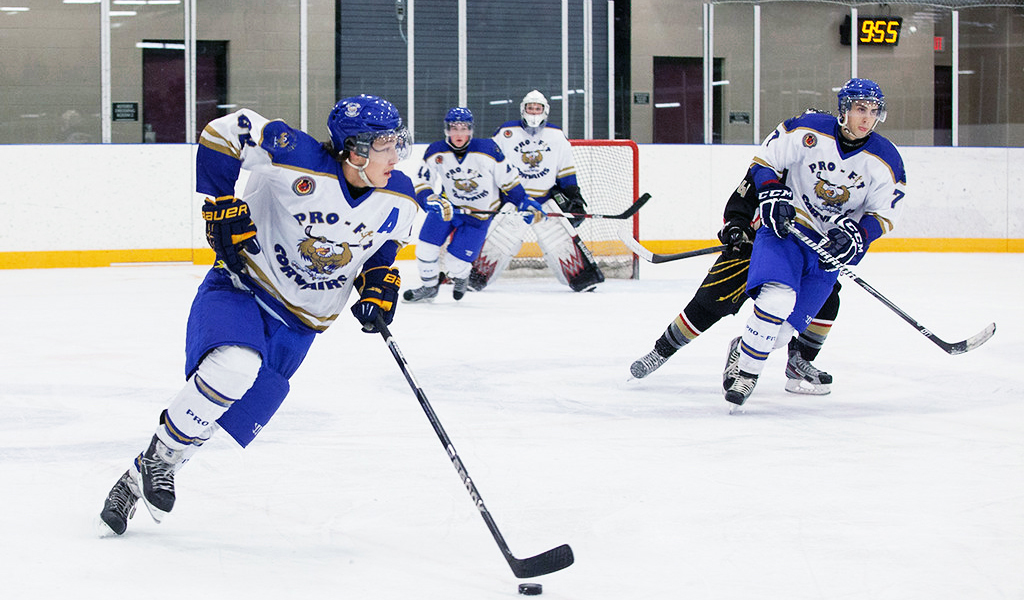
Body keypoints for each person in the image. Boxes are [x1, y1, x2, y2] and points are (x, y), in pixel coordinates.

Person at [99, 94, 419, 535]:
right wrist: (219, 203)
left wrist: (380, 279)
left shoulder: (400, 195)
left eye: (396, 142)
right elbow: (224, 131)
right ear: (355, 150)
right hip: (243, 289)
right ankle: (156, 463)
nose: (396, 154)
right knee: (233, 368)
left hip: (302, 326)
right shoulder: (296, 156)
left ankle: (139, 475)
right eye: (385, 145)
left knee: (220, 403)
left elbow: (383, 242)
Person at [722, 78, 906, 406]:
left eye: (873, 111)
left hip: (828, 251)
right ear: (843, 110)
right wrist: (770, 192)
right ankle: (746, 375)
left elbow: (884, 215)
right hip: (788, 230)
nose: (866, 118)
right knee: (775, 301)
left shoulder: (886, 159)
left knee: (779, 335)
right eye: (860, 109)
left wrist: (858, 235)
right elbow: (765, 162)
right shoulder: (807, 130)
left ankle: (742, 348)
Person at [629, 163, 841, 395]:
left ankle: (799, 359)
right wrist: (736, 226)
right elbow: (742, 200)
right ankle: (661, 351)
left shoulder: (832, 165)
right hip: (760, 246)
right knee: (711, 300)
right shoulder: (778, 159)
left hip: (805, 252)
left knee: (827, 297)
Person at [468, 90, 604, 293]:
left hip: (544, 201)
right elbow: (491, 164)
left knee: (560, 243)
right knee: (498, 242)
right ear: (523, 109)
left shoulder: (557, 136)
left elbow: (566, 170)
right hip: (514, 201)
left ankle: (582, 278)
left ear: (545, 110)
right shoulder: (506, 132)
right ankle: (472, 276)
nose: (533, 112)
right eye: (530, 108)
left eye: (537, 108)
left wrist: (574, 196)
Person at [403, 107, 540, 302]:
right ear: (447, 130)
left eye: (464, 128)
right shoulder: (436, 151)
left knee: (454, 263)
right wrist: (428, 199)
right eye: (454, 128)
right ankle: (429, 288)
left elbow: (509, 182)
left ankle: (461, 276)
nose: (459, 133)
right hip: (448, 209)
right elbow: (423, 182)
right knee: (425, 249)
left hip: (479, 215)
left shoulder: (489, 150)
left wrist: (524, 202)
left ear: (471, 130)